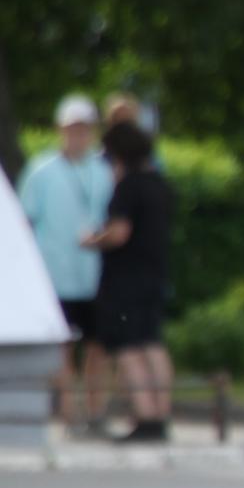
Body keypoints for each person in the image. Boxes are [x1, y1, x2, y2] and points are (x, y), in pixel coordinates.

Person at [16, 95, 113, 431]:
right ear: (61, 130)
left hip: (95, 274)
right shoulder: (41, 171)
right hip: (54, 274)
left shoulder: (103, 171)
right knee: (63, 348)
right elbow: (23, 221)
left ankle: (96, 410)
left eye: (84, 129)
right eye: (72, 129)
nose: (78, 136)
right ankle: (71, 413)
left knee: (98, 346)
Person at [81, 120, 174, 443]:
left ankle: (146, 416)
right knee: (152, 343)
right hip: (154, 275)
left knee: (128, 346)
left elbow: (119, 233)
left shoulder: (129, 186)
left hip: (125, 280)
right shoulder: (159, 183)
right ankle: (161, 413)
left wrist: (94, 240)